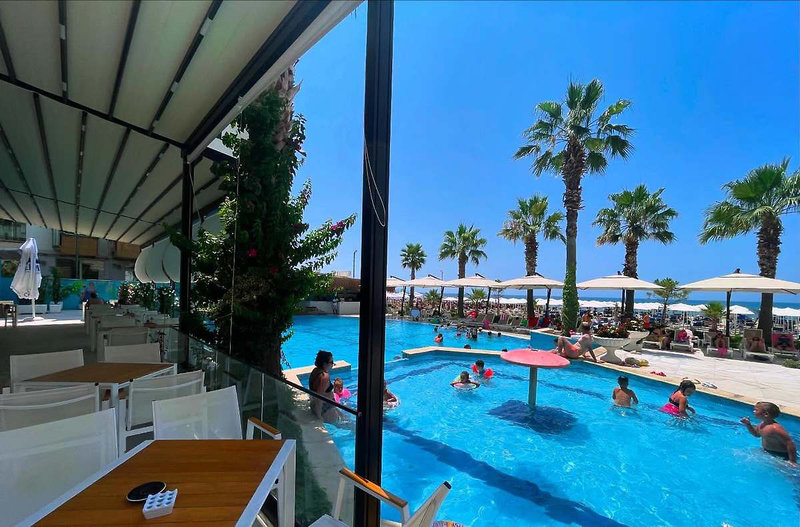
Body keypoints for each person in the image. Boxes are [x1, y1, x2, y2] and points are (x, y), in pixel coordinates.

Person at [309, 350, 338, 421]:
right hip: (325, 408)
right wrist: (319, 416)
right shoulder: (324, 376)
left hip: (320, 405)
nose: (333, 364)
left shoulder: (315, 371)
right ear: (324, 364)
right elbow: (319, 397)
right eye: (331, 362)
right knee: (345, 424)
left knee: (344, 417)